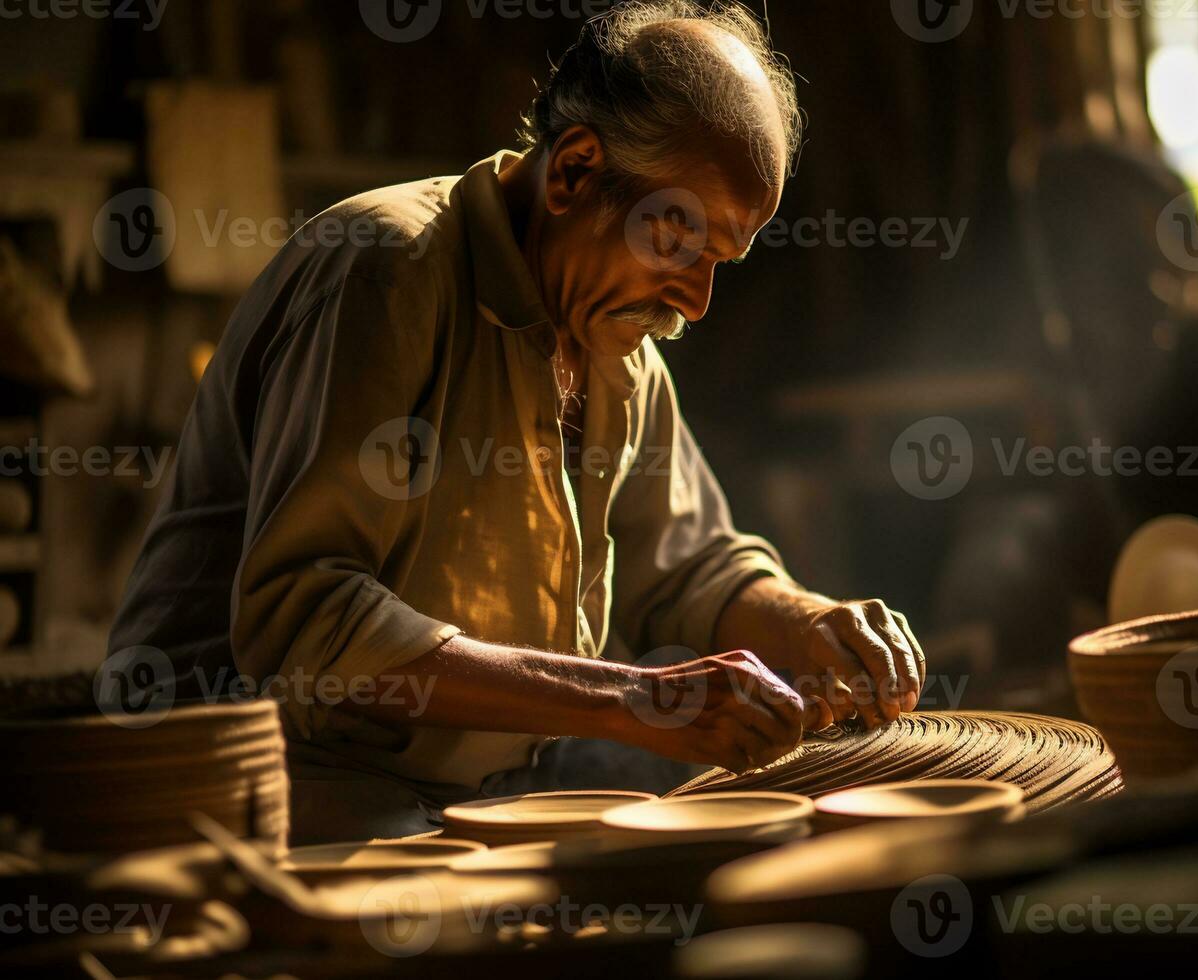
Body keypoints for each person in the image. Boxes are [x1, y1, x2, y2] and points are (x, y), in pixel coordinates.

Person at [108, 1, 924, 842]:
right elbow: (305, 622)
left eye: (721, 261)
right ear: (573, 171)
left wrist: (808, 622)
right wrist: (630, 700)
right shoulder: (386, 272)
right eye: (678, 243)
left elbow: (684, 569)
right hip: (250, 773)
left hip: (474, 779)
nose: (697, 301)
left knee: (745, 808)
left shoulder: (618, 348)